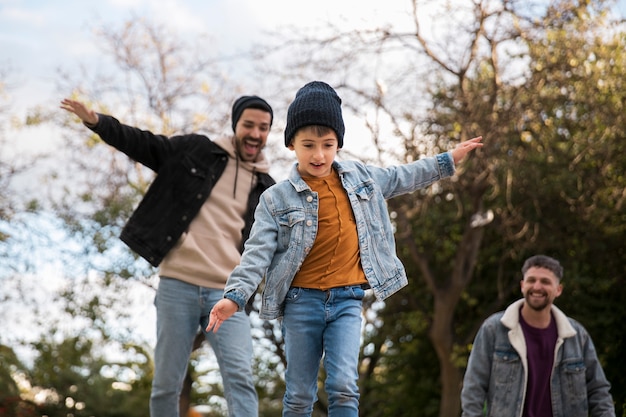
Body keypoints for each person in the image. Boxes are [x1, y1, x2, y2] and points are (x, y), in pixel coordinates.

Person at [206, 81, 483, 417]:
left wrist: (446, 160)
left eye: (328, 144)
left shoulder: (361, 178)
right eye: (308, 145)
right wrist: (234, 296)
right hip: (300, 304)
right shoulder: (276, 199)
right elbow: (257, 253)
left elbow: (403, 176)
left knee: (343, 387)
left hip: (347, 301)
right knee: (298, 395)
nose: (319, 155)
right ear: (291, 144)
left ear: (338, 143)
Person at [60, 95, 276, 417]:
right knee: (166, 383)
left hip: (228, 294)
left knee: (240, 378)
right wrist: (98, 122)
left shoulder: (266, 188)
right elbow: (146, 145)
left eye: (263, 128)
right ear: (235, 125)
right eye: (249, 125)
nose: (256, 134)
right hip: (179, 284)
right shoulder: (197, 150)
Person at [461, 254, 616, 417]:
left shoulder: (576, 335)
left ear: (558, 290)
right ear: (522, 285)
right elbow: (474, 388)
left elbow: (598, 391)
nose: (537, 287)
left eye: (545, 282)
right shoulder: (494, 329)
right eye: (531, 280)